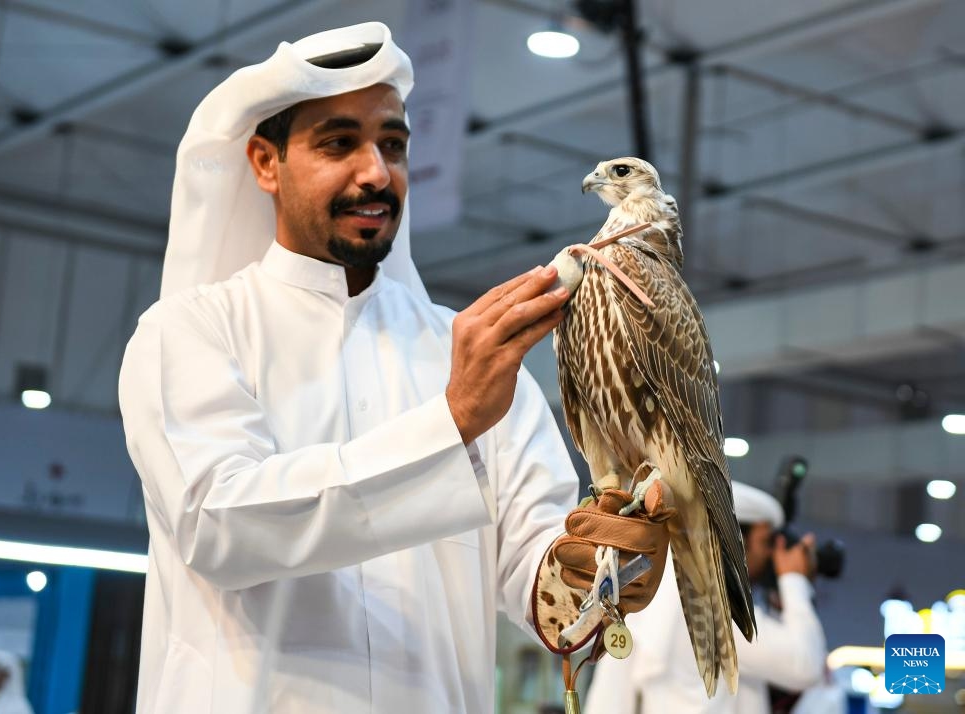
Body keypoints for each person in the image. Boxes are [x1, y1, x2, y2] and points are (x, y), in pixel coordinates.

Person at [118, 22, 670, 713]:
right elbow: (220, 525)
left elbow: (545, 580)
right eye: (338, 143)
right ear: (265, 162)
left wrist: (606, 569)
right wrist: (453, 420)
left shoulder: (470, 349)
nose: (376, 172)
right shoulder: (189, 332)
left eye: (393, 145)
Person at [584, 481, 828, 714]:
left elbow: (609, 699)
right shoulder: (715, 605)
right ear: (736, 545)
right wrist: (794, 580)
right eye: (766, 543)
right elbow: (805, 665)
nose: (771, 557)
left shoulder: (653, 592)